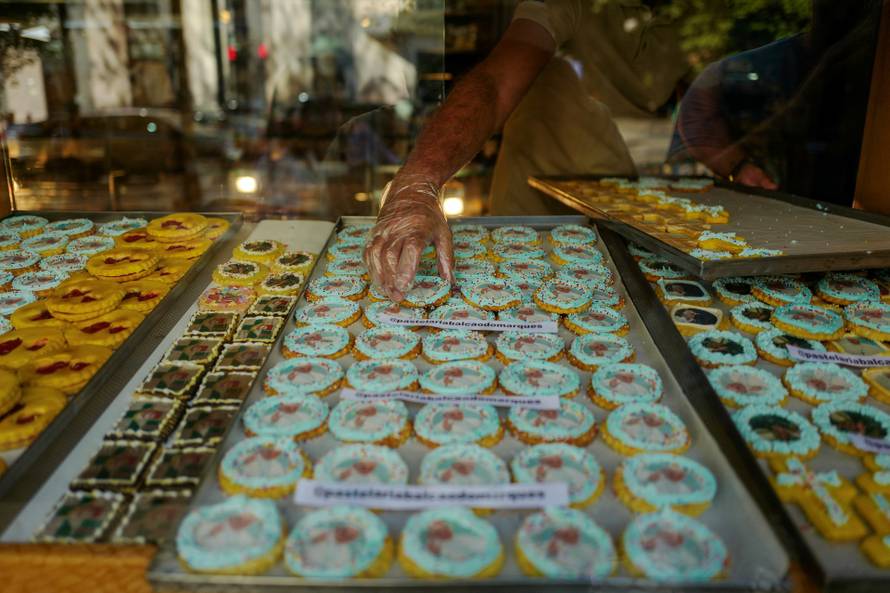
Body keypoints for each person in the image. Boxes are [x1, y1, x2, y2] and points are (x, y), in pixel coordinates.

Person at [364, 1, 691, 302]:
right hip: (534, 206)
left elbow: (701, 101)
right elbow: (496, 80)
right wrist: (419, 182)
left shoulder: (699, 18)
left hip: (630, 210)